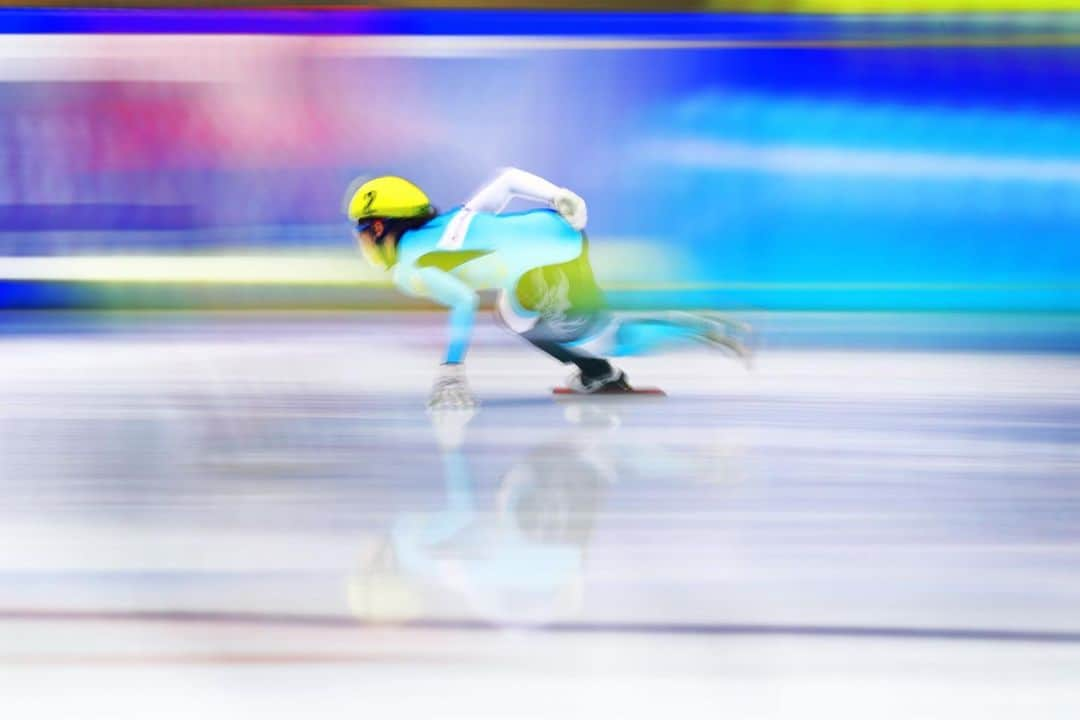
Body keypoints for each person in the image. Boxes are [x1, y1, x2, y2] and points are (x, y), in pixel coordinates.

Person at [346, 168, 749, 409]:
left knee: (600, 335)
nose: (364, 243)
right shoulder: (455, 219)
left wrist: (452, 371)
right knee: (519, 313)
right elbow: (507, 180)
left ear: (380, 227)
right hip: (559, 231)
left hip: (548, 264)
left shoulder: (411, 266)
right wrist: (561, 196)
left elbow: (464, 301)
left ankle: (689, 334)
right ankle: (601, 370)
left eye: (363, 233)